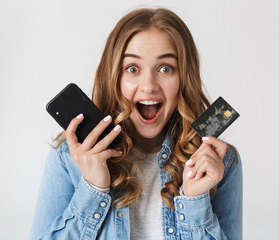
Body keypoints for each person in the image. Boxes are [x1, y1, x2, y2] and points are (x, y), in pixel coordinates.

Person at [30, 7, 242, 240]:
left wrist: (194, 201)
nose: (149, 85)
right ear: (113, 78)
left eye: (165, 68)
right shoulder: (68, 156)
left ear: (184, 79)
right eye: (132, 69)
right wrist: (92, 189)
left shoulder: (219, 161)